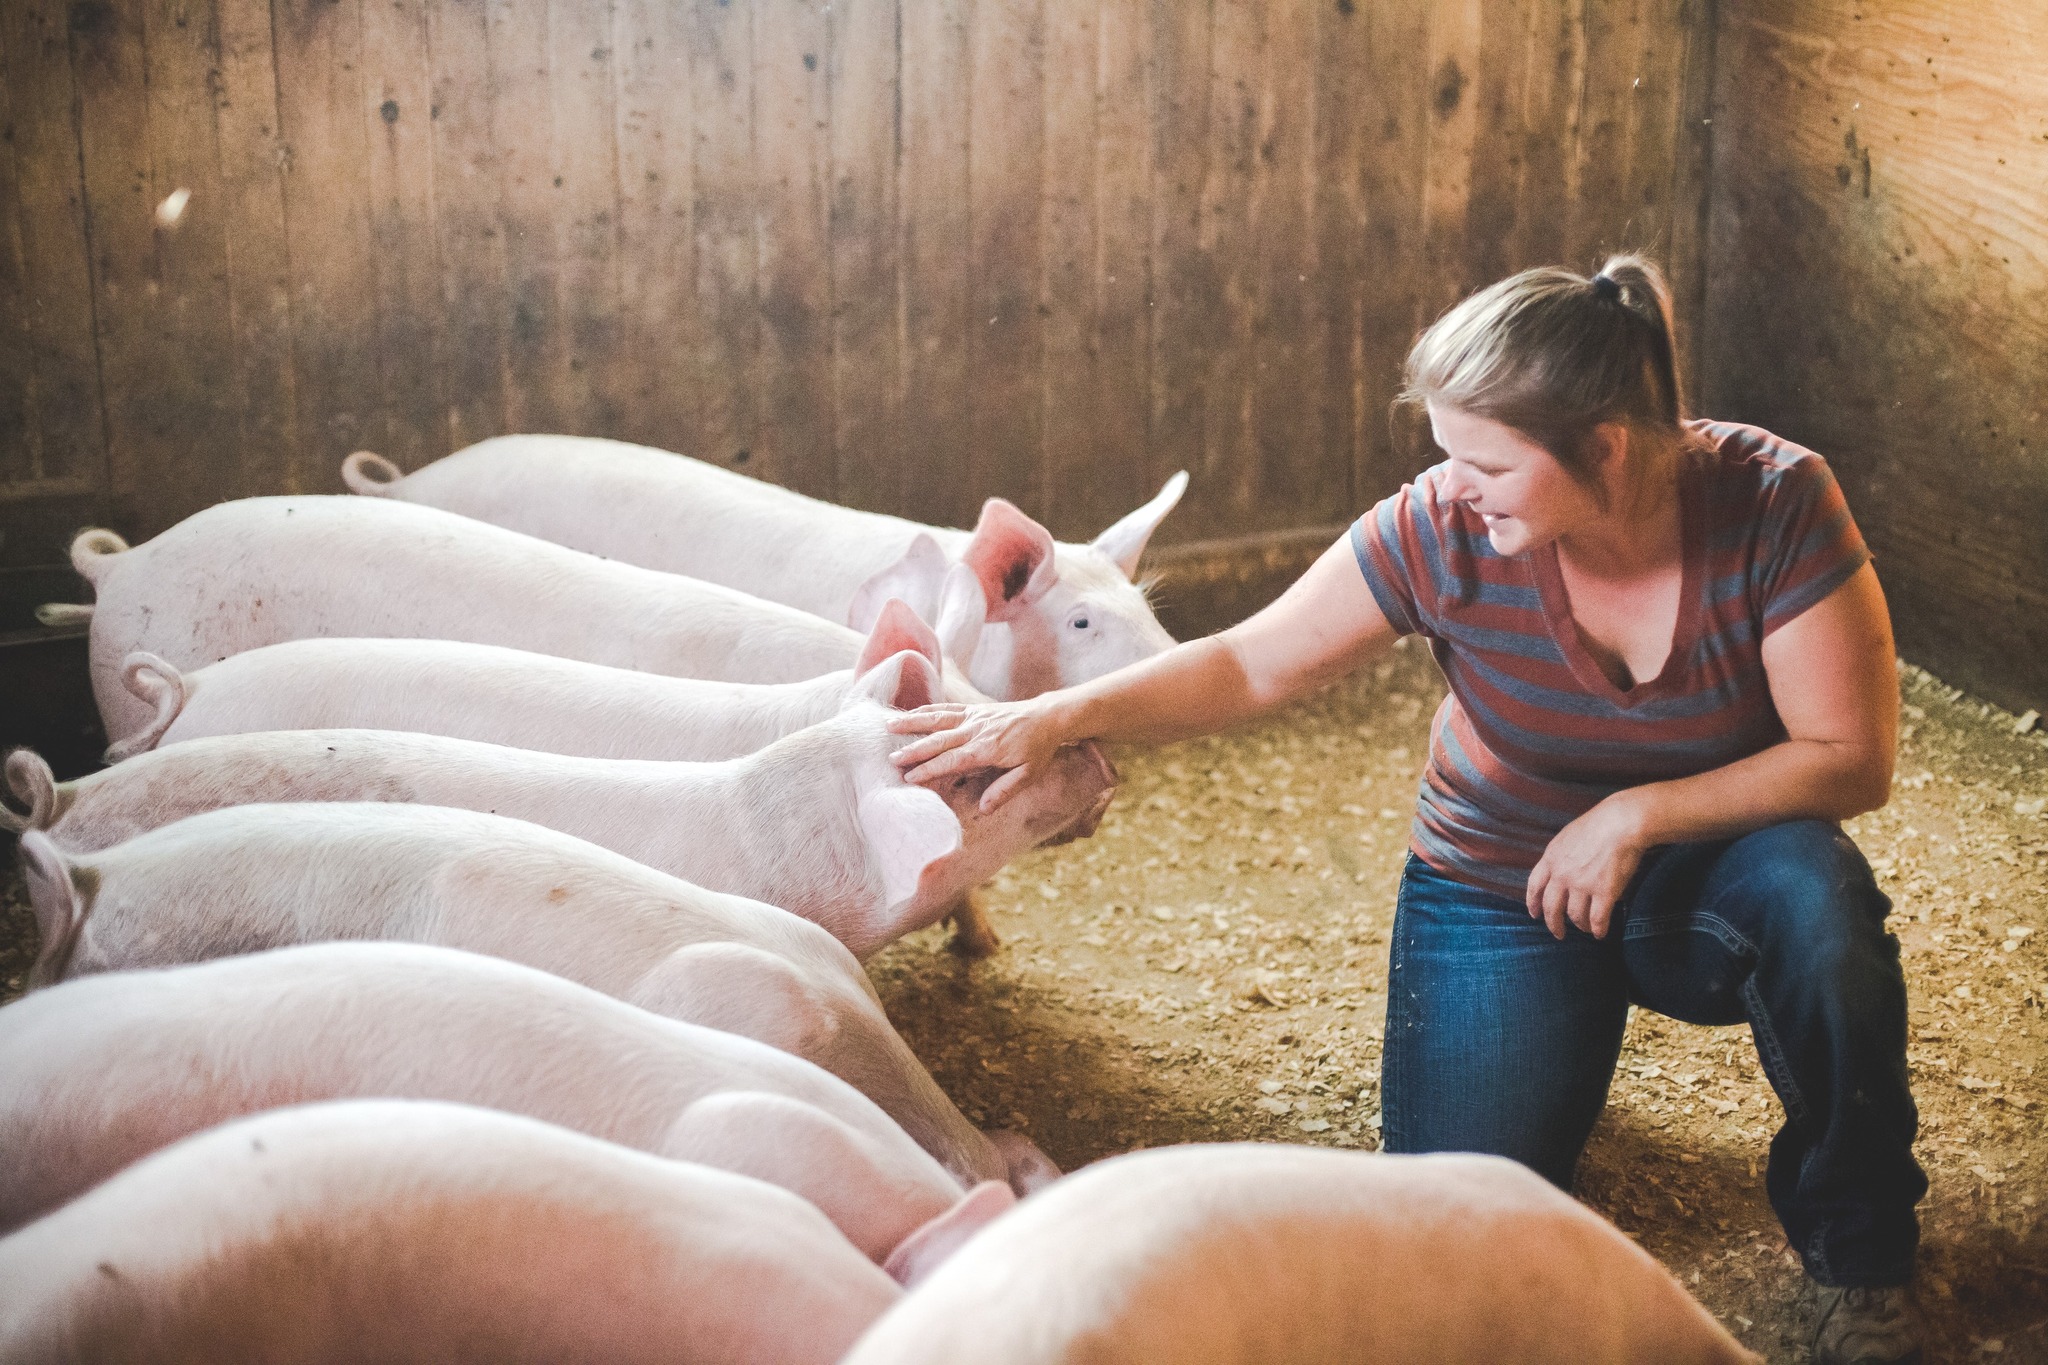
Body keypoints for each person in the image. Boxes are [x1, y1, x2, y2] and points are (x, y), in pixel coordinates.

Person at [889, 256, 1926, 1365]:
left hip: (1710, 869)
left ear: (1606, 450)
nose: (1455, 485)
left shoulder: (1772, 500)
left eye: (1488, 462)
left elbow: (1848, 757)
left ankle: (1861, 1249)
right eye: (1445, 453)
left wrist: (1636, 815)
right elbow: (1250, 663)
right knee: (1460, 1215)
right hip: (1501, 881)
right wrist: (1055, 717)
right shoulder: (1442, 525)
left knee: (1818, 902)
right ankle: (1552, 1028)